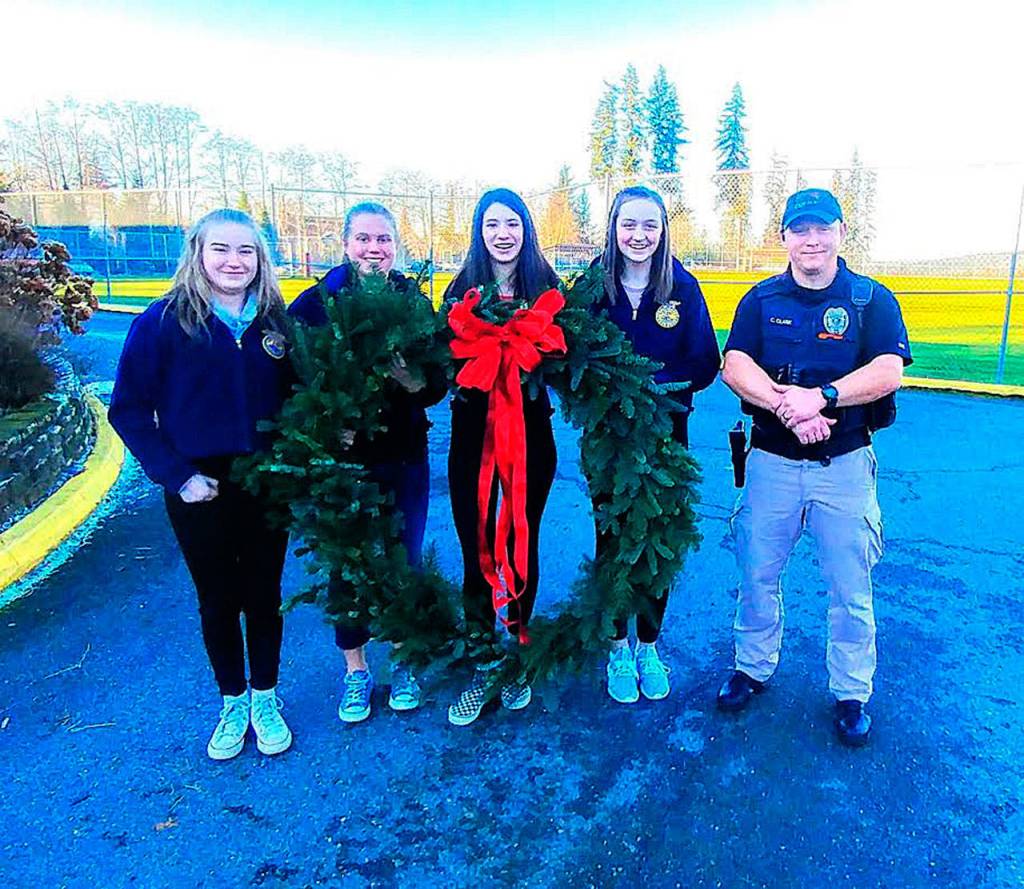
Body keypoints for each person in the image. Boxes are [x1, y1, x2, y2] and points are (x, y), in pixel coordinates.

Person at [717, 188, 911, 746]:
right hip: (772, 463)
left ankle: (852, 692)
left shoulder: (870, 301)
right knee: (756, 574)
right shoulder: (759, 300)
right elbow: (735, 365)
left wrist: (821, 397)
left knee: (851, 587)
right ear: (784, 239)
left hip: (844, 465)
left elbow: (888, 370)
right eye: (800, 230)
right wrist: (789, 404)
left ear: (841, 234)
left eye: (822, 229)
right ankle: (752, 667)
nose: (812, 240)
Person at [109, 208, 294, 761]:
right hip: (199, 487)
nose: (234, 261)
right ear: (198, 253)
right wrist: (179, 476)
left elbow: (304, 398)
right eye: (222, 250)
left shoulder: (276, 323)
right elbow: (129, 411)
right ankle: (232, 700)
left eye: (246, 251)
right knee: (217, 599)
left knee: (263, 595)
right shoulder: (163, 322)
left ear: (260, 259)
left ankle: (266, 697)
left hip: (266, 482)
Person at [289, 202, 447, 724]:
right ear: (345, 243)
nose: (373, 249)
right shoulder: (315, 306)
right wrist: (329, 426)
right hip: (341, 467)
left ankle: (405, 659)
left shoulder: (414, 303)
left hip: (403, 458)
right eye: (363, 239)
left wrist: (412, 382)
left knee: (404, 560)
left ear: (396, 246)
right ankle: (356, 670)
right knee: (348, 567)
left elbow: (437, 383)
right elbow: (292, 389)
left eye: (383, 240)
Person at [591, 185, 721, 705]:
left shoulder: (683, 290)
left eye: (650, 225)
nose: (639, 235)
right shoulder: (594, 288)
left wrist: (651, 388)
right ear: (614, 228)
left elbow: (705, 362)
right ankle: (616, 646)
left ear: (664, 229)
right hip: (609, 445)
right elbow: (574, 357)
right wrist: (613, 393)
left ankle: (647, 644)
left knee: (656, 547)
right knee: (612, 545)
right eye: (629, 224)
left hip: (668, 442)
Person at [444, 188, 561, 726]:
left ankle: (516, 650)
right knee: (476, 545)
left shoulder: (548, 289)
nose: (503, 234)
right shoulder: (459, 289)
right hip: (472, 441)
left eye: (512, 223)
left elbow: (569, 358)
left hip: (532, 439)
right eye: (492, 224)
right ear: (479, 231)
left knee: (521, 538)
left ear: (526, 230)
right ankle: (481, 656)